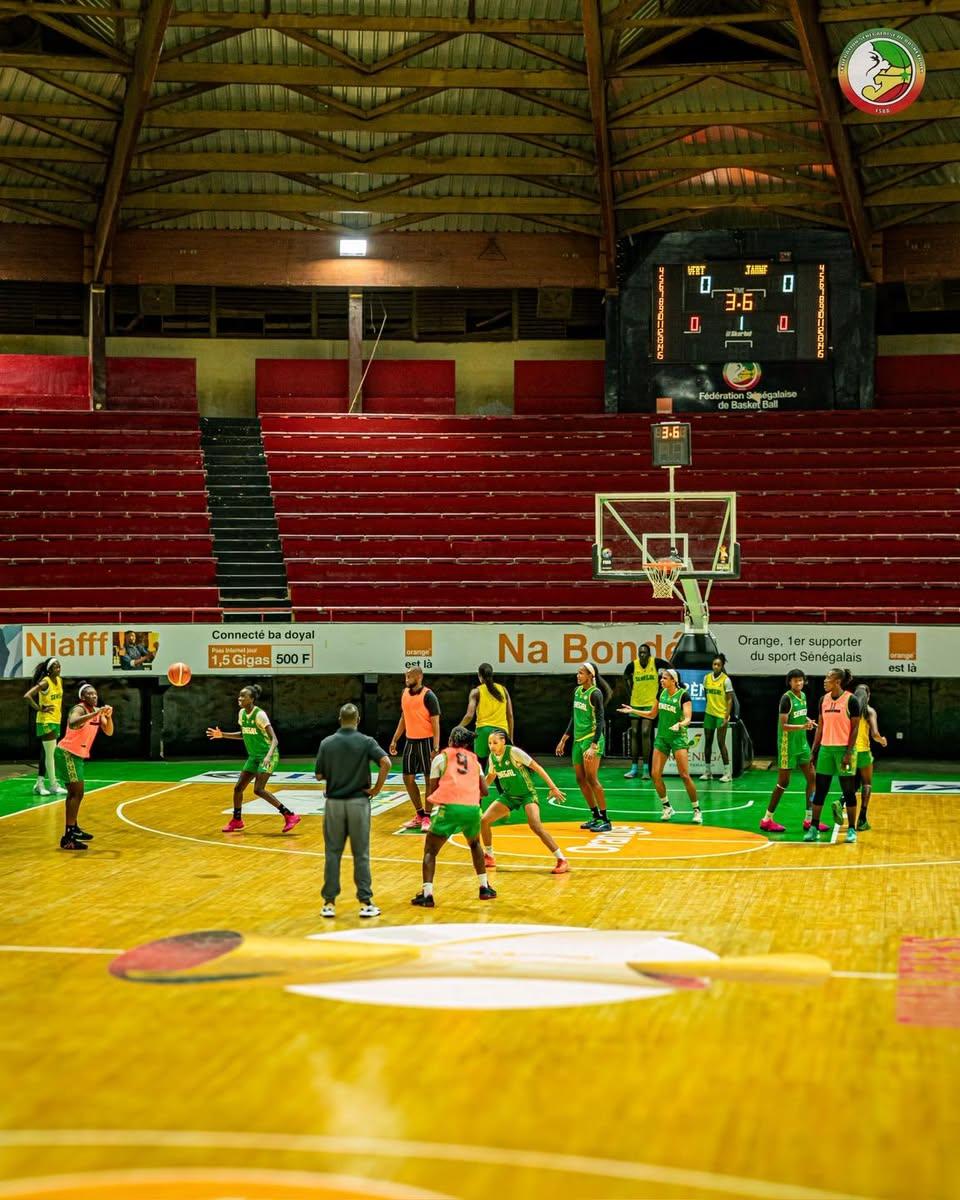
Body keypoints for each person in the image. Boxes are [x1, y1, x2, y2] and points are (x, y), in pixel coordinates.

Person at [314, 702, 391, 919]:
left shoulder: (327, 743)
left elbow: (319, 775)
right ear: (357, 720)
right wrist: (375, 789)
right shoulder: (367, 742)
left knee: (332, 853)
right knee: (361, 854)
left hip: (334, 805)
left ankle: (328, 904)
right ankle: (366, 902)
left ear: (339, 719)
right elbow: (386, 762)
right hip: (358, 803)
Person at [412, 726, 495, 908]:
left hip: (449, 808)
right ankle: (484, 887)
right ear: (467, 745)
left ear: (450, 741)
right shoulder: (474, 761)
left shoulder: (441, 758)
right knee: (475, 845)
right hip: (472, 809)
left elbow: (432, 790)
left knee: (430, 850)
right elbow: (485, 791)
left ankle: (427, 895)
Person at [206, 683, 300, 835]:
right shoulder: (242, 714)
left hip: (268, 755)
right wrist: (222, 735)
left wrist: (268, 756)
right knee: (238, 788)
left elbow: (274, 740)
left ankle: (289, 815)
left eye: (243, 696)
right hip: (254, 757)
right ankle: (237, 820)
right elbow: (243, 734)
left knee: (258, 789)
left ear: (252, 699)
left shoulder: (259, 715)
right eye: (239, 695)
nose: (240, 698)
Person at [482, 727, 569, 875]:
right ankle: (489, 856)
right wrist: (478, 791)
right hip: (509, 796)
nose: (491, 746)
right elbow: (491, 776)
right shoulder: (492, 757)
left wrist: (553, 787)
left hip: (527, 794)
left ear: (503, 741)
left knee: (535, 825)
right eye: (489, 743)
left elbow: (537, 767)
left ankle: (562, 859)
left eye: (495, 742)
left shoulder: (514, 752)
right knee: (484, 820)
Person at [620, 667, 702, 824]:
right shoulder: (661, 693)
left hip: (678, 738)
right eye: (661, 678)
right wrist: (633, 710)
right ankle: (667, 807)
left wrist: (680, 724)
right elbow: (652, 714)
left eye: (665, 678)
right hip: (662, 738)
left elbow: (688, 718)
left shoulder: (683, 696)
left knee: (684, 775)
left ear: (674, 680)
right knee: (655, 774)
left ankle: (697, 809)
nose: (661, 680)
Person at [804, 667, 862, 844]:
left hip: (844, 750)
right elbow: (820, 727)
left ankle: (851, 829)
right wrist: (814, 751)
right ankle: (814, 828)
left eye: (828, 678)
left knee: (849, 791)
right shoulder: (823, 700)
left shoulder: (851, 700)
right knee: (820, 791)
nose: (824, 680)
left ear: (838, 681)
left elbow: (855, 729)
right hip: (826, 751)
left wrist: (848, 752)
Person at [54, 682, 113, 850]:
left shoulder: (96, 711)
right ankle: (68, 837)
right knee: (77, 793)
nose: (94, 696)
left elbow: (109, 731)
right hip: (67, 754)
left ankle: (74, 829)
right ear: (82, 697)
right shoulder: (78, 709)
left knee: (75, 793)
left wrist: (107, 717)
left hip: (77, 756)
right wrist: (94, 713)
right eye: (89, 694)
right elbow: (73, 723)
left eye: (95, 694)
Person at [555, 662, 612, 832]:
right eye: (577, 673)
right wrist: (564, 739)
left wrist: (594, 745)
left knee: (592, 779)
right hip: (578, 741)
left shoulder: (596, 694)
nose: (578, 676)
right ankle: (595, 816)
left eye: (581, 673)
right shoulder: (577, 691)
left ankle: (605, 819)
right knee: (580, 779)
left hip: (591, 740)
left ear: (590, 676)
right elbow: (575, 716)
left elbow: (601, 720)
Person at [761, 668, 817, 834]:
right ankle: (766, 819)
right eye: (795, 680)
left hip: (802, 744)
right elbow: (784, 725)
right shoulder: (786, 699)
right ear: (790, 682)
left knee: (812, 778)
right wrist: (802, 726)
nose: (798, 683)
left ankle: (809, 819)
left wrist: (807, 721)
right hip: (788, 746)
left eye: (800, 680)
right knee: (783, 783)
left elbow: (800, 714)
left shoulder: (804, 696)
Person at [389, 666, 441, 831]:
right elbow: (404, 718)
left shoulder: (429, 696)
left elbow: (436, 724)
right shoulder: (405, 694)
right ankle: (419, 814)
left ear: (418, 677)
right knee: (407, 778)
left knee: (428, 780)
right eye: (405, 676)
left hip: (426, 742)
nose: (406, 679)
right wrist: (395, 739)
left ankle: (427, 816)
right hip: (410, 741)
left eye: (409, 676)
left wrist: (436, 747)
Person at [622, 643, 669, 780]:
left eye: (644, 653)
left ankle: (647, 768)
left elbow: (670, 667)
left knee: (645, 732)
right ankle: (634, 767)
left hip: (650, 704)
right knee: (635, 732)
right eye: (640, 652)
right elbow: (625, 677)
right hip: (635, 703)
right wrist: (630, 691)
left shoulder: (655, 663)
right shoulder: (633, 665)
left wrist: (662, 688)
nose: (642, 655)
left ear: (649, 654)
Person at [23, 656, 65, 798]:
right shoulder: (45, 682)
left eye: (59, 666)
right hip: (46, 721)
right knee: (50, 754)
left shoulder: (59, 681)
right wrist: (40, 708)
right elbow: (27, 696)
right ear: (49, 670)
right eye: (55, 667)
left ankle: (40, 784)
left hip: (56, 720)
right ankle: (53, 785)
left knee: (47, 754)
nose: (58, 669)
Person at [459, 662, 513, 767]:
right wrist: (510, 737)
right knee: (500, 769)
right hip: (501, 731)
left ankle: (479, 784)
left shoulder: (476, 692)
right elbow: (510, 715)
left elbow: (469, 715)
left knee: (480, 767)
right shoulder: (503, 690)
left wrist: (459, 727)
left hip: (483, 732)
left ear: (479, 676)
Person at [852, 683, 887, 832]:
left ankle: (841, 802)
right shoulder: (869, 711)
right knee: (866, 784)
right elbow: (874, 734)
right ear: (868, 696)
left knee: (851, 784)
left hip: (848, 751)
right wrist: (882, 741)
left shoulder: (848, 709)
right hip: (864, 752)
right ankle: (862, 819)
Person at [701, 653, 734, 782]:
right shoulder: (706, 678)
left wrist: (726, 716)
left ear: (722, 666)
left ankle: (727, 773)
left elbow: (730, 700)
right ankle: (708, 772)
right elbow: (706, 694)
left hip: (721, 715)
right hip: (709, 714)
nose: (716, 666)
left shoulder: (726, 680)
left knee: (721, 743)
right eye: (714, 664)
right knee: (708, 742)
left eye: (718, 665)